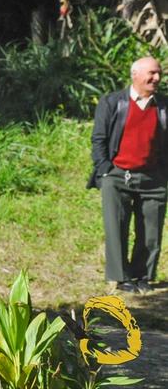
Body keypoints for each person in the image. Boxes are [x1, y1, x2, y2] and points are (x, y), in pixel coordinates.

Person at [87, 56, 167, 294]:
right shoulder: (113, 102)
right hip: (117, 175)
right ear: (135, 75)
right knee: (116, 227)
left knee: (151, 230)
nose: (157, 78)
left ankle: (143, 275)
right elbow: (99, 138)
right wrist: (105, 170)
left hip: (153, 177)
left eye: (159, 73)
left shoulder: (163, 105)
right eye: (151, 73)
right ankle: (121, 278)